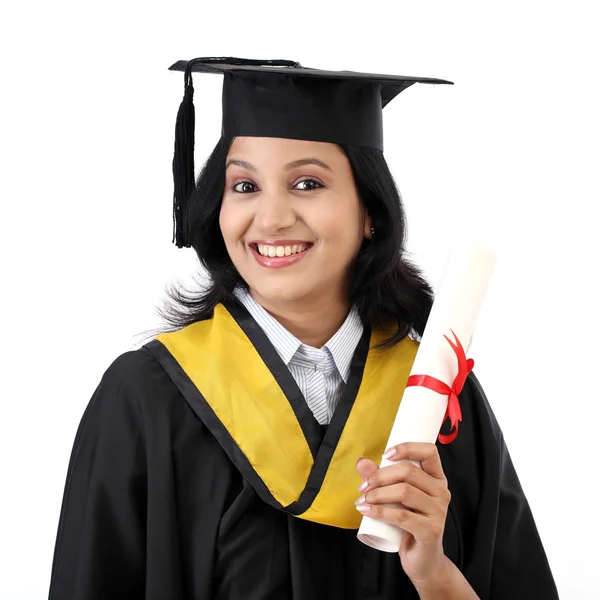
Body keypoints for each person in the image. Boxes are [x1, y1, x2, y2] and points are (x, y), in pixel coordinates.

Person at [48, 57, 559, 599]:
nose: (270, 219)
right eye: (244, 186)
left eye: (307, 183)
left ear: (370, 213)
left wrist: (432, 571)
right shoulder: (148, 399)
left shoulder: (437, 400)